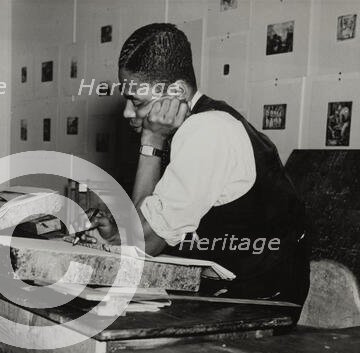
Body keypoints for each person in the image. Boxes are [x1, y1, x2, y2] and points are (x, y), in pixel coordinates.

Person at [91, 23, 309, 305]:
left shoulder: (207, 131)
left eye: (137, 100)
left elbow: (143, 244)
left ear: (177, 91)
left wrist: (151, 140)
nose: (127, 111)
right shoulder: (197, 124)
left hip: (262, 302)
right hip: (231, 290)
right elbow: (147, 230)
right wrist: (118, 237)